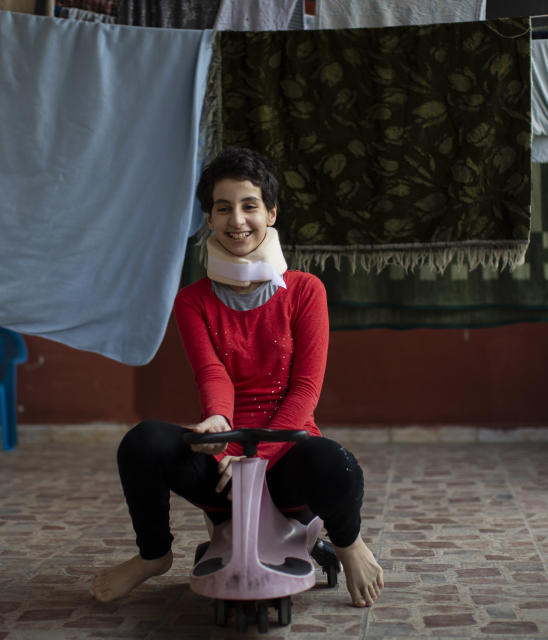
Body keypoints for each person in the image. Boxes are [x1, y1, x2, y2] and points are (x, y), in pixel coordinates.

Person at [88, 147, 384, 608]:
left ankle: (348, 544)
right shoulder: (192, 301)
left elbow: (305, 389)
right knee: (142, 442)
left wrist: (258, 455)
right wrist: (218, 425)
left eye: (249, 206)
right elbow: (213, 373)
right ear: (208, 218)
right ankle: (153, 555)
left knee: (338, 464)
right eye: (223, 208)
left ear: (271, 212)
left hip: (288, 457)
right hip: (222, 461)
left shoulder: (306, 291)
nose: (237, 220)